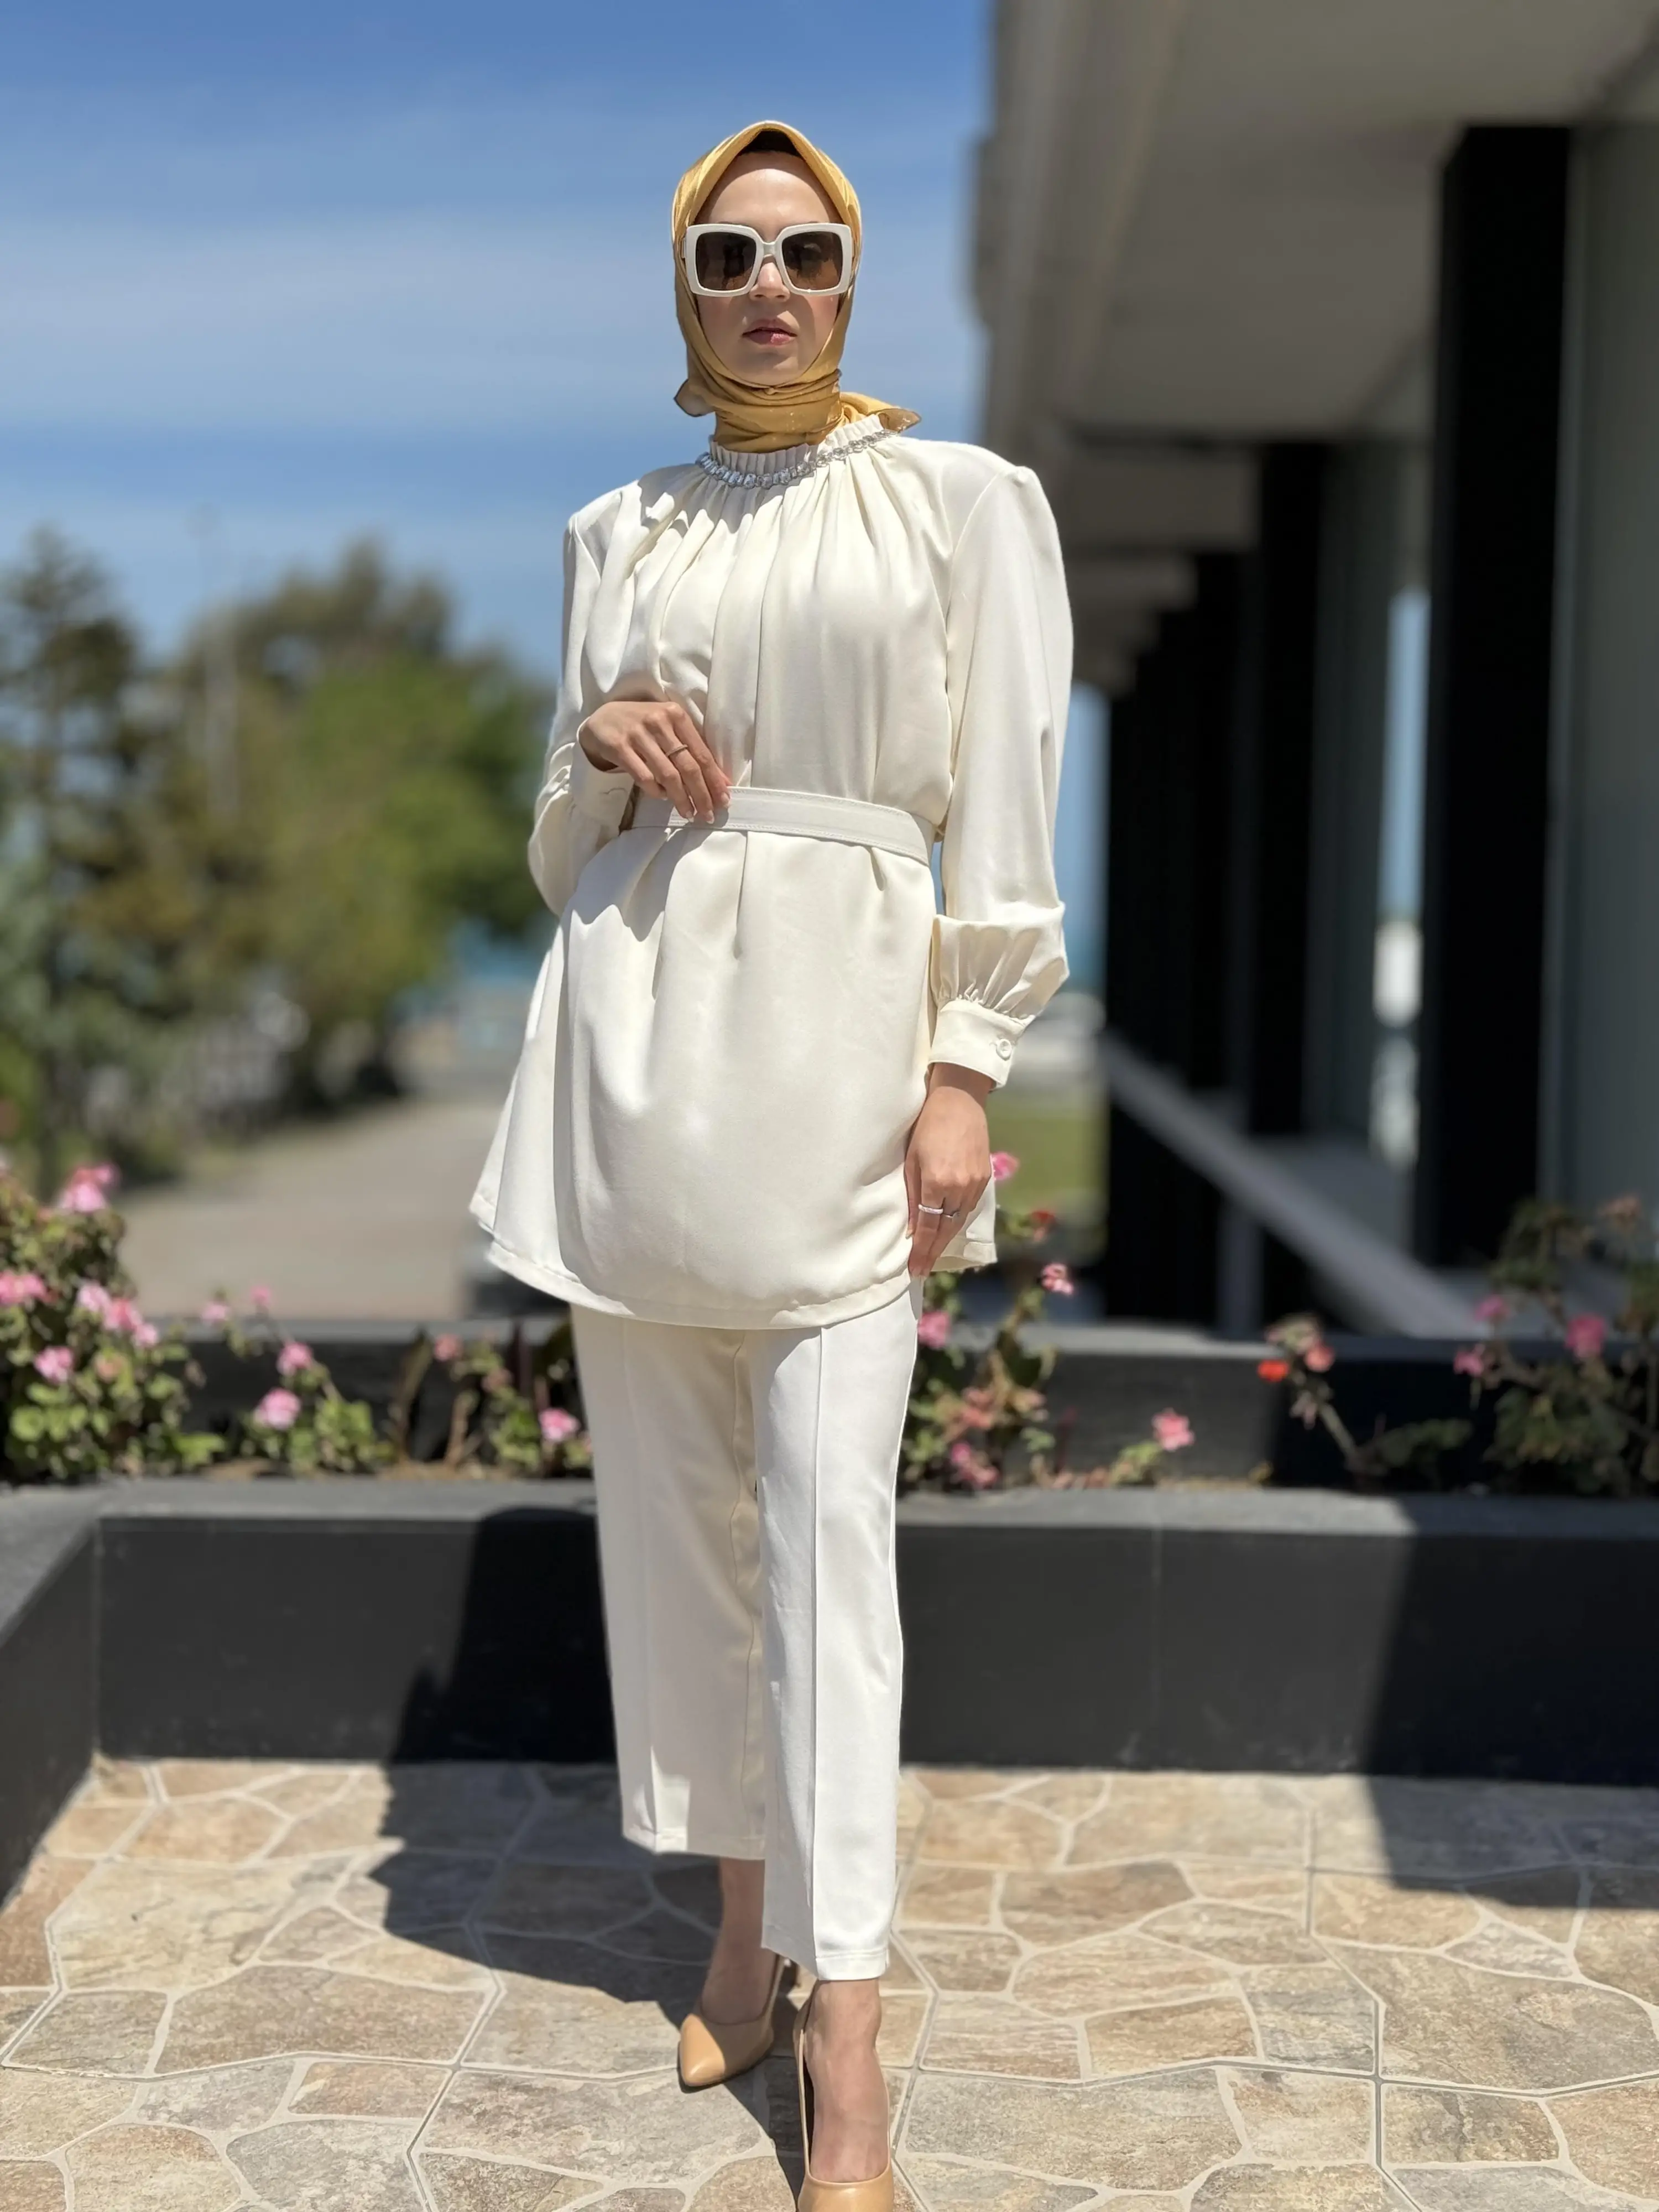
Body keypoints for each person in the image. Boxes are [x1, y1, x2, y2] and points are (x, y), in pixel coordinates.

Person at [471, 118, 1070, 2208]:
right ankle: (739, 1929)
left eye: (806, 252)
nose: (769, 287)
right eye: (727, 256)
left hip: (849, 1067)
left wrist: (968, 1064)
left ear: (851, 273)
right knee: (685, 1540)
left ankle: (850, 2037)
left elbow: (1004, 812)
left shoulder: (961, 504)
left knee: (832, 1549)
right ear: (684, 284)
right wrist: (590, 750)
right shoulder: (612, 529)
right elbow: (558, 856)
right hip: (640, 1061)